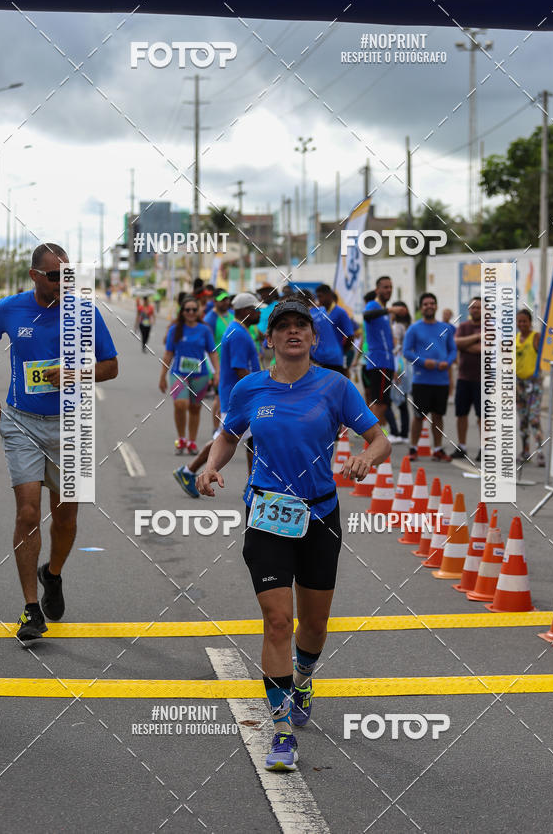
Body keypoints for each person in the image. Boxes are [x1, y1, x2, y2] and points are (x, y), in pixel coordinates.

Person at [196, 297, 390, 771]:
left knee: (314, 624)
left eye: (301, 325)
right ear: (270, 338)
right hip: (266, 515)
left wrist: (368, 458)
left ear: (314, 336)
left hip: (320, 516)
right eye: (283, 327)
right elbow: (227, 435)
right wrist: (211, 468)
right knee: (278, 619)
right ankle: (281, 731)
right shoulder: (250, 389)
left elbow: (379, 437)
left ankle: (304, 674)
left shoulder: (335, 386)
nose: (293, 333)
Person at [0, 243, 118, 645]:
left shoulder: (84, 312)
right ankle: (30, 609)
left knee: (65, 519)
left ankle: (53, 574)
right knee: (28, 514)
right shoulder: (8, 309)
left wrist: (77, 373)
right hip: (21, 421)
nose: (62, 283)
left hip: (72, 426)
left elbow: (111, 367)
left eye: (67, 276)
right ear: (33, 276)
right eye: (53, 276)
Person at [172, 292, 260, 496]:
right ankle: (189, 471)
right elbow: (240, 369)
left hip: (238, 397)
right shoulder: (238, 333)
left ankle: (253, 484)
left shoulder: (239, 329)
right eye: (255, 310)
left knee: (250, 439)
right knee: (229, 439)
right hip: (238, 398)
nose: (258, 314)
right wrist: (258, 391)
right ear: (246, 311)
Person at [159, 296, 219, 456]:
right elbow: (168, 353)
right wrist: (162, 376)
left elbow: (212, 353)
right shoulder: (175, 329)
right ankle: (181, 439)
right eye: (187, 310)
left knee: (195, 408)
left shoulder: (204, 329)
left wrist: (217, 372)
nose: (191, 312)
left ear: (198, 311)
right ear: (182, 311)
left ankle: (191, 441)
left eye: (194, 309)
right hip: (179, 373)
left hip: (200, 375)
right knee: (180, 405)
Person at [403, 292, 457, 462]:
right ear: (421, 308)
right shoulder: (414, 328)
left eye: (432, 303)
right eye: (426, 304)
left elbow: (453, 350)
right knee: (419, 417)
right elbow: (406, 352)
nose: (429, 306)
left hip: (441, 381)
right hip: (421, 380)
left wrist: (447, 363)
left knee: (438, 416)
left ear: (436, 306)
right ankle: (413, 448)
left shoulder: (445, 328)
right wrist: (424, 362)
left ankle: (438, 449)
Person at [362, 276, 406, 434]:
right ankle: (372, 437)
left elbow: (391, 343)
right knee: (379, 402)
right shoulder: (373, 305)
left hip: (387, 362)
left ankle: (374, 436)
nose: (388, 290)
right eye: (385, 287)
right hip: (378, 361)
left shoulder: (386, 314)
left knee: (383, 402)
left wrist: (395, 366)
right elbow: (367, 315)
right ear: (377, 290)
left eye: (390, 287)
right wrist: (390, 309)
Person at [452, 297, 482, 462]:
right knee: (461, 414)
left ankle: (484, 448)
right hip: (463, 378)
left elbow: (487, 348)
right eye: (473, 307)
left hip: (482, 380)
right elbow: (456, 343)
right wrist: (477, 338)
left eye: (479, 307)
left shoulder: (490, 328)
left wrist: (466, 345)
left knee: (483, 417)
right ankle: (461, 446)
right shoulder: (463, 327)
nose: (475, 310)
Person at [516, 308, 545, 466]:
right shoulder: (516, 338)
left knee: (534, 419)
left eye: (524, 321)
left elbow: (544, 353)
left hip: (533, 384)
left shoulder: (536, 337)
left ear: (530, 322)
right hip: (519, 384)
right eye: (519, 321)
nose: (521, 324)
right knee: (523, 419)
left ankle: (539, 452)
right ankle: (525, 450)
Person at [204, 290, 233, 432]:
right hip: (219, 366)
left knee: (230, 398)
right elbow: (207, 348)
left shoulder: (231, 316)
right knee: (219, 398)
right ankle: (216, 429)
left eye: (227, 299)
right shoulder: (210, 319)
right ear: (215, 301)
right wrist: (213, 372)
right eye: (222, 300)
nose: (226, 302)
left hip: (232, 365)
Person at [313, 284, 354, 375]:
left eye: (321, 296)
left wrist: (341, 352)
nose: (319, 299)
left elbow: (350, 336)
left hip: (335, 361)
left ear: (329, 295)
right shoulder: (318, 313)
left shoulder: (341, 312)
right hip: (320, 359)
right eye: (317, 297)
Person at [388, 301, 412, 443]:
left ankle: (395, 432)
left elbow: (395, 348)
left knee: (387, 402)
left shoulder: (396, 327)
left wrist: (395, 370)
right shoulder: (409, 326)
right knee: (403, 401)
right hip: (407, 366)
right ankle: (404, 434)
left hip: (397, 365)